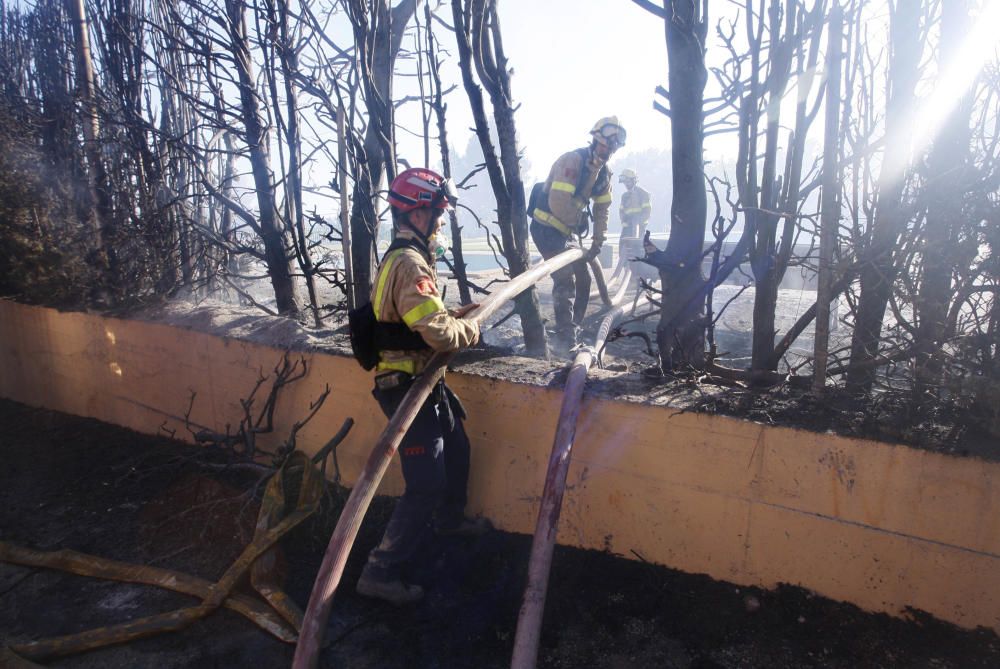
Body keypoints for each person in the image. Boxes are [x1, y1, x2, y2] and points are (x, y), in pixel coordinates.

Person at [356, 167, 490, 605]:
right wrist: (469, 330)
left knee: (458, 448)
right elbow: (439, 335)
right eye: (437, 213)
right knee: (425, 484)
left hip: (423, 381)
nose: (440, 222)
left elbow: (419, 318)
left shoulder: (407, 258)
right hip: (404, 387)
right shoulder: (410, 263)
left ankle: (448, 522)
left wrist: (454, 315)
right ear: (417, 214)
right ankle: (380, 570)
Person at [529, 116, 626, 351]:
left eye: (612, 148)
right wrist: (578, 219)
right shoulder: (572, 161)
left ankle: (573, 326)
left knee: (585, 278)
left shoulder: (604, 174)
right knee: (565, 279)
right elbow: (558, 203)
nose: (607, 151)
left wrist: (598, 241)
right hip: (546, 228)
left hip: (565, 233)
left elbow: (602, 210)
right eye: (604, 145)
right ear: (595, 140)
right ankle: (565, 338)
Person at [618, 168, 651, 241]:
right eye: (625, 182)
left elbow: (647, 212)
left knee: (638, 245)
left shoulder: (643, 194)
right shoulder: (624, 196)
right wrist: (625, 222)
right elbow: (621, 211)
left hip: (640, 227)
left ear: (633, 181)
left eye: (628, 182)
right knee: (623, 244)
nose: (626, 184)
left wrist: (637, 221)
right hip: (627, 227)